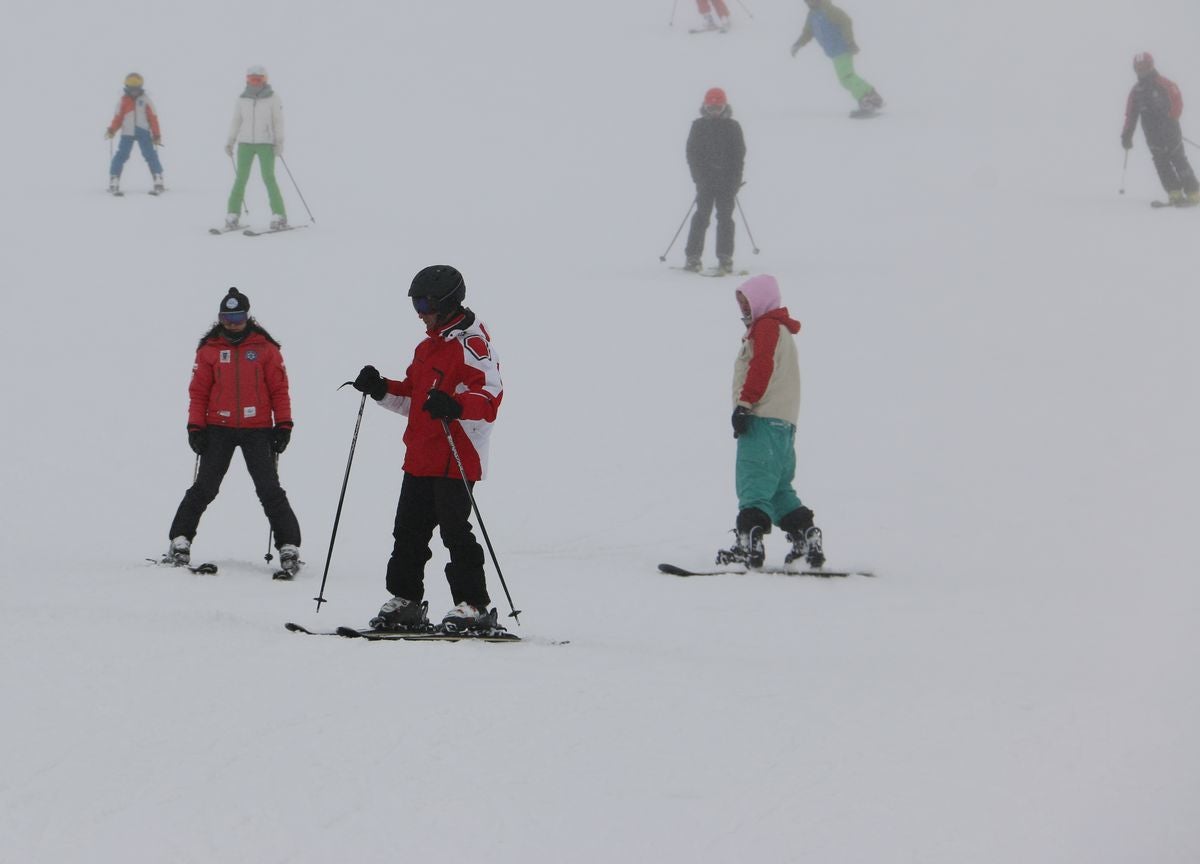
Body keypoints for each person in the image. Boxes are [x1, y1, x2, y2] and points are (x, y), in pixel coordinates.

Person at [351, 265, 504, 633]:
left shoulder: (473, 346)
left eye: (424, 302)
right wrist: (380, 388)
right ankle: (406, 601)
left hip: (456, 455)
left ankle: (473, 606)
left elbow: (491, 396)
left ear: (448, 302)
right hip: (420, 455)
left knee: (455, 533)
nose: (419, 311)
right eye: (414, 303)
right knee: (408, 532)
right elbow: (415, 399)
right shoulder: (428, 346)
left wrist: (455, 405)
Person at [167, 288, 301, 575]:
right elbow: (199, 392)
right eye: (227, 317)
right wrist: (195, 426)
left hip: (258, 429)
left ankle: (289, 546)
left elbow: (279, 389)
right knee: (204, 488)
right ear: (220, 318)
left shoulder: (265, 348)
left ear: (247, 316)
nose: (233, 323)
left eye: (238, 316)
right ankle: (180, 540)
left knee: (269, 489)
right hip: (219, 428)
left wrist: (284, 425)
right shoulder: (209, 350)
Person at [717, 274, 825, 571]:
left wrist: (744, 404)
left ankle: (747, 545)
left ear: (762, 301)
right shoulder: (781, 331)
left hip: (762, 419)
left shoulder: (765, 328)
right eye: (741, 305)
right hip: (784, 425)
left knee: (753, 482)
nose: (744, 311)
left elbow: (760, 366)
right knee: (778, 488)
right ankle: (806, 537)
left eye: (747, 303)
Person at [1122, 53, 1200, 207]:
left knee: (1178, 158)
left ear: (1151, 66)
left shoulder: (1164, 83)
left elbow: (1177, 100)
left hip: (1170, 130)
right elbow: (1131, 115)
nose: (1142, 71)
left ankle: (1194, 192)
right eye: (1138, 68)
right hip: (1151, 134)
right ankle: (1174, 193)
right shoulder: (1136, 91)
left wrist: (1171, 119)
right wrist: (1127, 135)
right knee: (1161, 162)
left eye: (1144, 67)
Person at [684, 87, 746, 275]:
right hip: (706, 182)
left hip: (727, 183)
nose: (715, 111)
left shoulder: (733, 127)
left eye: (718, 107)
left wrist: (735, 181)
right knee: (701, 217)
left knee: (725, 219)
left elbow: (739, 156)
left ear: (724, 106)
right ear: (705, 107)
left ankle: (725, 257)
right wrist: (699, 178)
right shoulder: (698, 126)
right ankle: (692, 257)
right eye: (711, 108)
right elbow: (692, 154)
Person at [790, 0, 883, 115]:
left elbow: (846, 21)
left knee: (846, 78)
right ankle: (872, 96)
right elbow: (807, 33)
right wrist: (798, 43)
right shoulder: (812, 15)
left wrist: (849, 42)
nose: (809, 2)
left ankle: (866, 100)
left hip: (842, 48)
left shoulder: (828, 10)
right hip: (834, 52)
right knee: (848, 77)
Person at [223, 65, 287, 230]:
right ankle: (233, 214)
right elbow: (236, 120)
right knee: (241, 179)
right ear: (247, 80)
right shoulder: (242, 99)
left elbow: (278, 121)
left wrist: (279, 141)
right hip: (245, 144)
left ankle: (279, 215)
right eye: (251, 79)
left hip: (266, 143)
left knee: (268, 178)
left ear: (264, 80)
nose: (255, 83)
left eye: (258, 80)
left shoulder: (273, 98)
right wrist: (231, 140)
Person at [104, 73, 164, 194]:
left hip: (143, 132)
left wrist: (156, 135)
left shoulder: (146, 100)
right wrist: (112, 130)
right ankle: (114, 178)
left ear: (141, 87)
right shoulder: (123, 101)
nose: (134, 91)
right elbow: (118, 118)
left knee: (150, 154)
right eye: (131, 88)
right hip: (127, 132)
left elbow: (153, 118)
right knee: (121, 155)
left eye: (136, 88)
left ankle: (158, 177)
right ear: (127, 87)